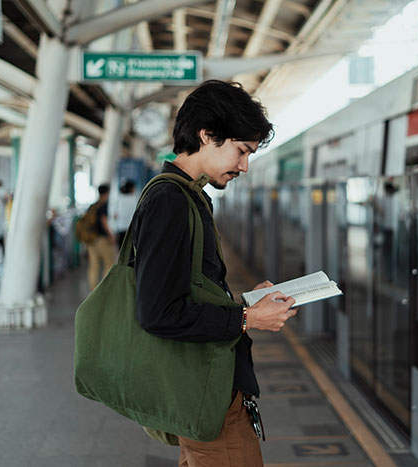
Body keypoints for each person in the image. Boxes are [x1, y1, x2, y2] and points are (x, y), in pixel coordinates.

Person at [130, 80, 297, 466]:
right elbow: (159, 312)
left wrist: (243, 303)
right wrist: (248, 317)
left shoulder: (188, 195)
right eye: (241, 151)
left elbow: (187, 293)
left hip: (208, 389)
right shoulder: (170, 200)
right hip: (206, 395)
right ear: (208, 135)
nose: (245, 165)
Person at [86, 184, 116, 290]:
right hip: (101, 239)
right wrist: (110, 235)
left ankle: (93, 290)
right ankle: (105, 290)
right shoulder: (103, 205)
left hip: (91, 240)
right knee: (109, 263)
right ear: (107, 193)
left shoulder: (92, 206)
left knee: (94, 266)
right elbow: (103, 221)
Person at [111, 180, 138, 248]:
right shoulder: (135, 199)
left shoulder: (119, 199)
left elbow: (115, 216)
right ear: (132, 188)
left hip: (121, 229)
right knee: (132, 253)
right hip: (132, 230)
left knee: (122, 252)